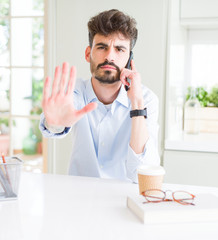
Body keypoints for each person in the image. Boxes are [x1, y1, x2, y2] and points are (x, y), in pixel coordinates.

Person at [39, 9, 160, 183]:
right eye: (102, 47)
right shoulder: (75, 91)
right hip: (80, 197)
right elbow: (56, 122)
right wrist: (55, 123)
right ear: (88, 54)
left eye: (119, 49)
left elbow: (141, 171)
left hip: (124, 200)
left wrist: (137, 104)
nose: (110, 56)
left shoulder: (146, 99)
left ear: (129, 59)